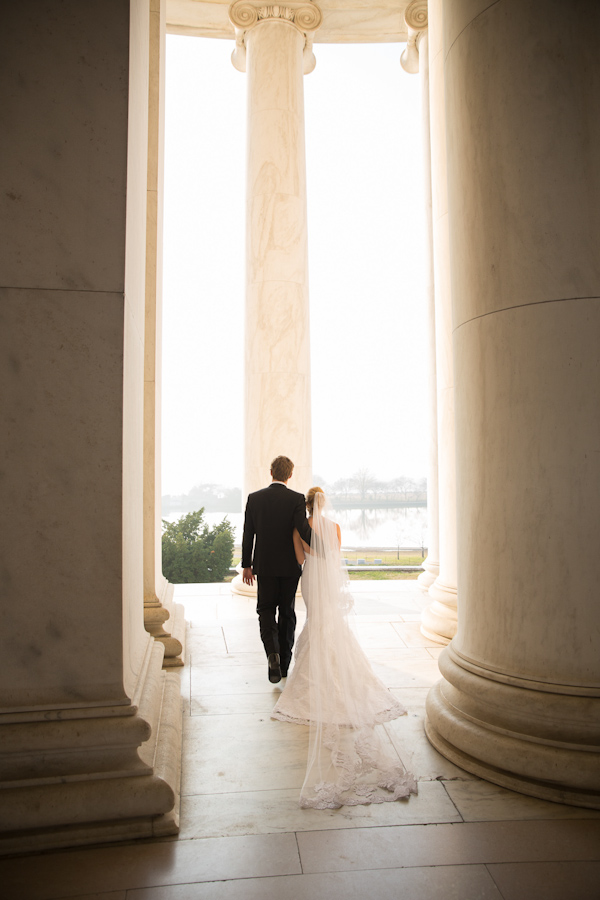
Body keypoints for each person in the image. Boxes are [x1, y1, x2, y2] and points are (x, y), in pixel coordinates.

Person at [272, 486, 418, 809]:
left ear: (306, 506)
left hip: (311, 579)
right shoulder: (335, 527)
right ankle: (339, 675)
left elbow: (300, 559)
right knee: (330, 625)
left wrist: (302, 542)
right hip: (327, 579)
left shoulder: (301, 528)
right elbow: (335, 557)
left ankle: (314, 680)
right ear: (324, 504)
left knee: (315, 623)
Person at [241, 455, 312, 684]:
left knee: (265, 610)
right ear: (290, 475)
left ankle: (272, 653)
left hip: (264, 566)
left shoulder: (254, 498)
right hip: (290, 566)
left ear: (270, 472)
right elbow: (303, 530)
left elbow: (248, 534)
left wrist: (247, 565)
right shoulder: (296, 499)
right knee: (287, 612)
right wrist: (324, 545)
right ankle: (284, 664)